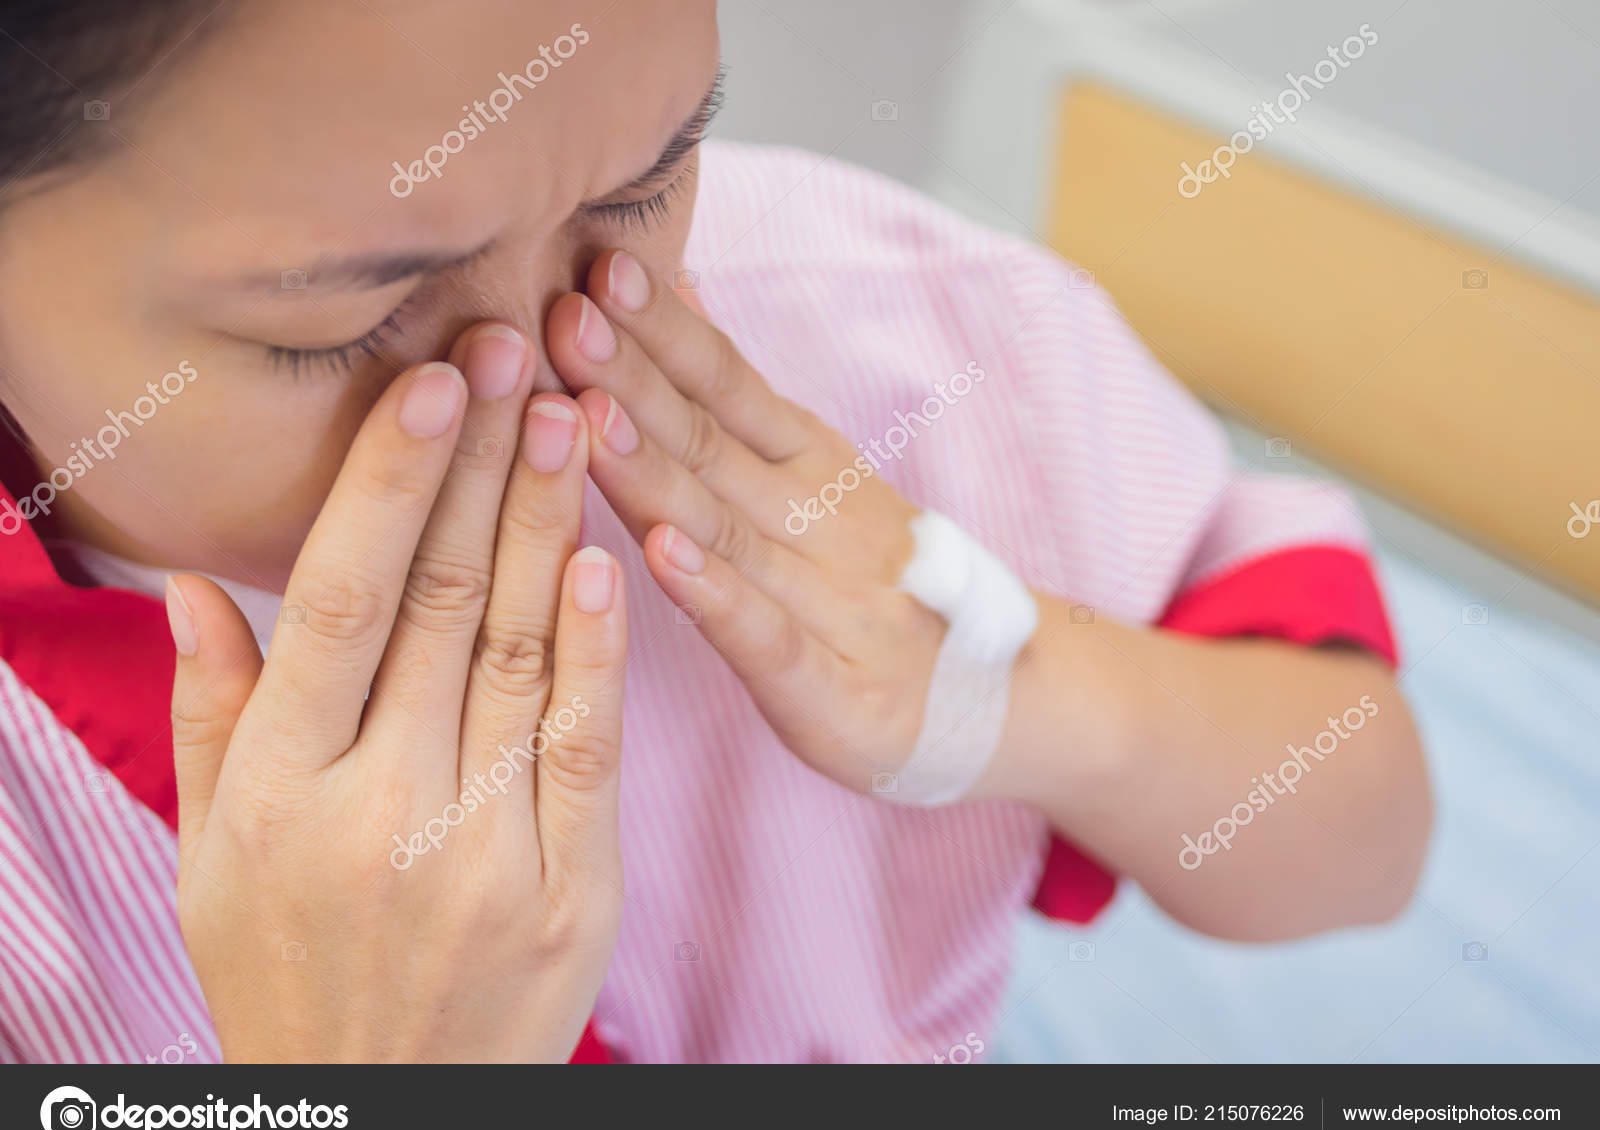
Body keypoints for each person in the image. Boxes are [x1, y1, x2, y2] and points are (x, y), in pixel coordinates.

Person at [0, 0, 1429, 1063]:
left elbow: (1363, 834)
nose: (550, 366)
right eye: (349, 320)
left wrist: (1009, 688)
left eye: (645, 180)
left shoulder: (894, 331)